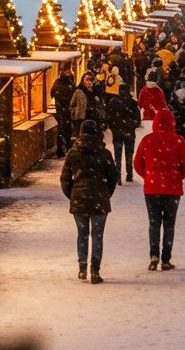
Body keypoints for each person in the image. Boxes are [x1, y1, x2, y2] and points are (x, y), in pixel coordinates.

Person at [133, 109, 185, 271]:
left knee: (154, 224)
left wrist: (148, 175)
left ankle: (154, 256)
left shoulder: (147, 140)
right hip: (172, 190)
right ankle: (166, 259)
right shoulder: (179, 141)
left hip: (152, 189)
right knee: (169, 225)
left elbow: (137, 163)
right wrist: (177, 177)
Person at [59, 120, 119, 283]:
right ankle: (95, 271)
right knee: (97, 236)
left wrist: (73, 194)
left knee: (82, 234)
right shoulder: (104, 154)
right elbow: (113, 178)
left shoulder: (73, 152)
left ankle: (82, 268)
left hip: (79, 198)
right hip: (99, 198)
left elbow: (65, 179)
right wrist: (106, 193)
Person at [107, 87, 142, 183]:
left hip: (117, 132)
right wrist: (132, 125)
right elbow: (137, 119)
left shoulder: (113, 102)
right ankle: (129, 174)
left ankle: (118, 175)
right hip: (129, 132)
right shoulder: (132, 103)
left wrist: (113, 127)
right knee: (129, 154)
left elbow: (109, 117)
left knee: (117, 155)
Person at [51, 66, 76, 157]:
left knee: (65, 130)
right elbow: (54, 93)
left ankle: (64, 150)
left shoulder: (67, 82)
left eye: (69, 71)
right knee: (63, 130)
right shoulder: (64, 83)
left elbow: (53, 93)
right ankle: (63, 150)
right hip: (63, 110)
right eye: (67, 71)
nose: (68, 72)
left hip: (65, 110)